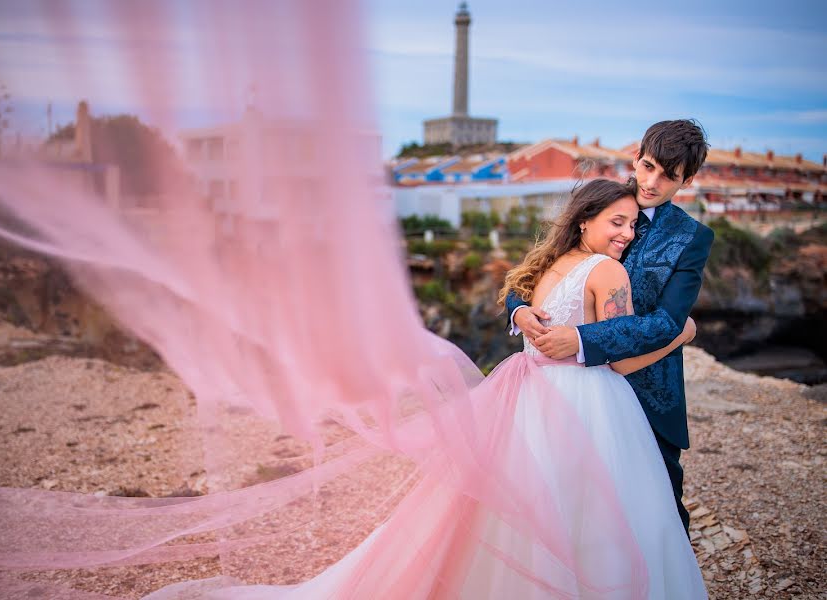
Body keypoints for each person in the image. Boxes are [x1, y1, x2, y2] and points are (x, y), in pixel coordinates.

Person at [150, 178, 707, 599]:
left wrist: (524, 314)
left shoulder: (548, 269)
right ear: (586, 219)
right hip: (588, 407)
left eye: (632, 226)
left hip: (536, 402)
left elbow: (525, 310)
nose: (626, 235)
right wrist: (679, 335)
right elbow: (618, 365)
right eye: (616, 222)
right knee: (597, 516)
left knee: (524, 513)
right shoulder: (609, 274)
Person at [506, 119, 714, 535]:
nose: (651, 182)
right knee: (566, 510)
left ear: (686, 181)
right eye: (648, 166)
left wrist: (581, 339)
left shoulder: (692, 237)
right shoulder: (602, 203)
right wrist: (518, 309)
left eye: (669, 176)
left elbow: (667, 322)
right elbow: (542, 271)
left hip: (649, 391)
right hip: (571, 397)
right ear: (636, 158)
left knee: (661, 519)